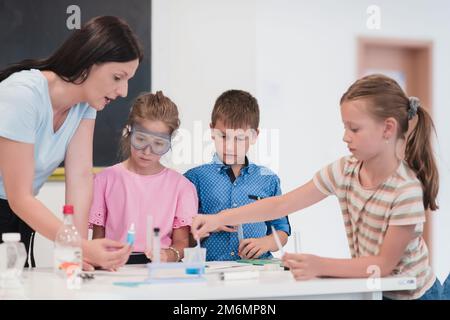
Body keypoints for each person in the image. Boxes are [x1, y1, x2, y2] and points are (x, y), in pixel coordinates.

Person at [192, 75, 441, 300]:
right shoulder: (344, 170)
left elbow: (383, 265)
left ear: (388, 128)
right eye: (345, 127)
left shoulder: (406, 191)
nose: (345, 136)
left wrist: (318, 265)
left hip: (413, 294)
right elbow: (281, 204)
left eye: (354, 128)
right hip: (373, 288)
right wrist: (219, 219)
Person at [0, 16, 143, 270]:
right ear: (89, 62)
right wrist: (78, 246)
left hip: (16, 220)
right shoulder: (22, 94)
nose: (124, 91)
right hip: (14, 206)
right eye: (118, 77)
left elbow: (79, 178)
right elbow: (19, 196)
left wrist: (79, 255)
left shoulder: (85, 106)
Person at [89, 91, 198, 264]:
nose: (147, 151)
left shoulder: (181, 187)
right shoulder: (105, 180)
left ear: (170, 141)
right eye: (140, 139)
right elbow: (97, 240)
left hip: (160, 270)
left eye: (159, 144)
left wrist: (167, 256)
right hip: (114, 268)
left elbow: (182, 243)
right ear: (129, 131)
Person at [185, 89, 290, 261]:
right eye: (223, 136)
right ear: (212, 131)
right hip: (213, 274)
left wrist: (266, 243)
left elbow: (282, 230)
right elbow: (183, 238)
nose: (230, 146)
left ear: (254, 135)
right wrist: (211, 226)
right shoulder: (194, 179)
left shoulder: (268, 179)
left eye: (239, 139)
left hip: (258, 271)